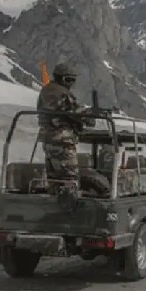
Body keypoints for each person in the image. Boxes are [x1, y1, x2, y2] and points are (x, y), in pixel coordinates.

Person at [37, 63, 109, 196]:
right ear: (60, 78)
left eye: (73, 80)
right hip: (62, 141)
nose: (71, 84)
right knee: (70, 179)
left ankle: (53, 206)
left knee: (55, 179)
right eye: (68, 80)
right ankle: (71, 211)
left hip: (48, 140)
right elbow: (79, 114)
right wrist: (92, 115)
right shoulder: (62, 93)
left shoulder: (46, 91)